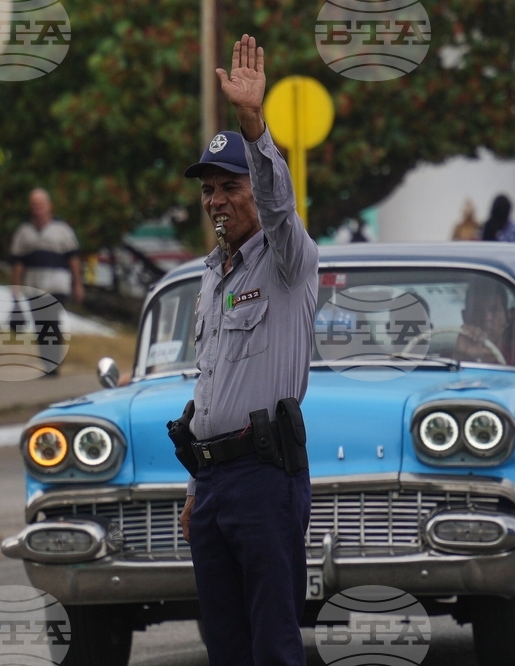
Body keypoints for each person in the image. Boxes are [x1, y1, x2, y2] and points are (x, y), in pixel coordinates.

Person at [176, 34, 319, 666]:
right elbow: (214, 381)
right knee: (225, 646)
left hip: (266, 478)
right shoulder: (211, 274)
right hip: (212, 483)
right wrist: (195, 487)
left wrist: (254, 126)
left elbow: (280, 202)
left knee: (273, 643)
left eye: (229, 186)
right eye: (208, 189)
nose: (216, 200)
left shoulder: (288, 261)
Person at [9, 188, 84, 375]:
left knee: (51, 320)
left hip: (57, 285)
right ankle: (48, 363)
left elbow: (73, 259)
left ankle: (53, 362)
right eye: (34, 205)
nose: (38, 209)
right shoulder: (24, 232)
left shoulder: (62, 230)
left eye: (41, 205)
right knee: (40, 324)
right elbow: (18, 263)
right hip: (34, 287)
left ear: (49, 206)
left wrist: (77, 283)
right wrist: (16, 289)